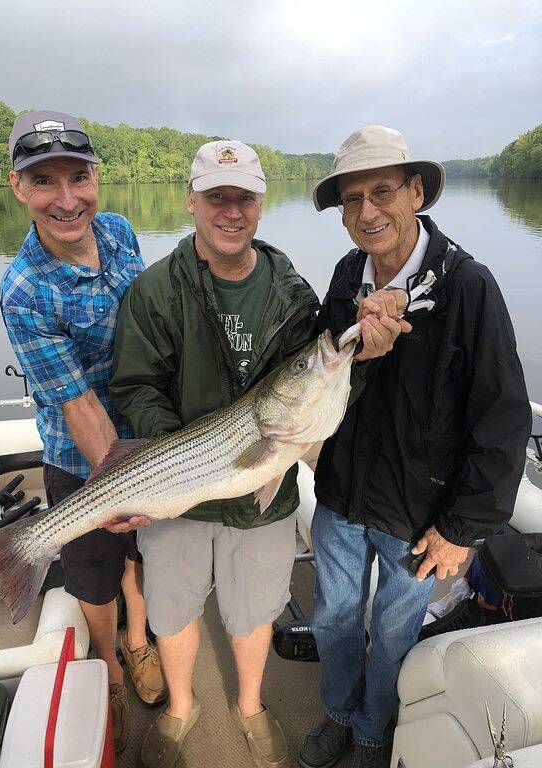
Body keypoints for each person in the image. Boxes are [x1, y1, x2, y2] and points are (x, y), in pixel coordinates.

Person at [109, 139, 406, 768]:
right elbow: (134, 387)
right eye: (217, 197)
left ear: (261, 205)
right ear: (191, 202)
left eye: (243, 197)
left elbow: (321, 382)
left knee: (251, 613)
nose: (231, 211)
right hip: (183, 486)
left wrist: (369, 344)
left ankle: (250, 707)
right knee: (173, 607)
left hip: (267, 490)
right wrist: (173, 463)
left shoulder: (292, 292)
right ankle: (181, 709)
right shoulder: (155, 290)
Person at [298, 125, 533, 768]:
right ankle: (340, 715)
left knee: (396, 632)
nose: (367, 212)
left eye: (382, 192)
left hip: (417, 515)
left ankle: (375, 732)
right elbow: (323, 370)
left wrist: (461, 529)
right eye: (352, 200)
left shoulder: (470, 287)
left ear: (419, 192)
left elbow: (504, 420)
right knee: (334, 622)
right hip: (343, 494)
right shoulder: (348, 275)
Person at [0, 110, 167, 753]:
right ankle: (106, 661)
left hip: (151, 438)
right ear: (19, 188)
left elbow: (154, 325)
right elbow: (76, 404)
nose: (67, 199)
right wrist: (116, 484)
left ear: (96, 178)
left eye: (78, 177)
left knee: (143, 555)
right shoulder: (23, 289)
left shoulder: (122, 233)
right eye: (45, 181)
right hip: (82, 453)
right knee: (94, 570)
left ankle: (138, 642)